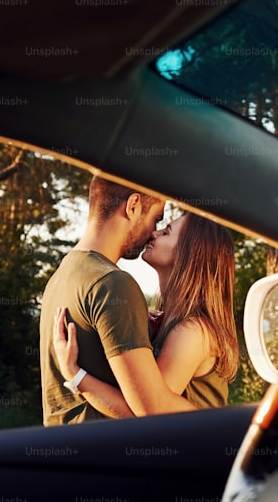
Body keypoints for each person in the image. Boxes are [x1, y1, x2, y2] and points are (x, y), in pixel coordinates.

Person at [39, 175, 197, 425]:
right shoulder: (112, 283)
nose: (154, 232)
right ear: (133, 206)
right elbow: (149, 412)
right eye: (156, 219)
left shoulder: (61, 276)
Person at [52, 209, 239, 414]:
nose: (154, 234)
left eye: (166, 232)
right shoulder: (171, 322)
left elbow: (148, 411)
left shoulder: (193, 331)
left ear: (190, 252)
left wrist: (75, 375)